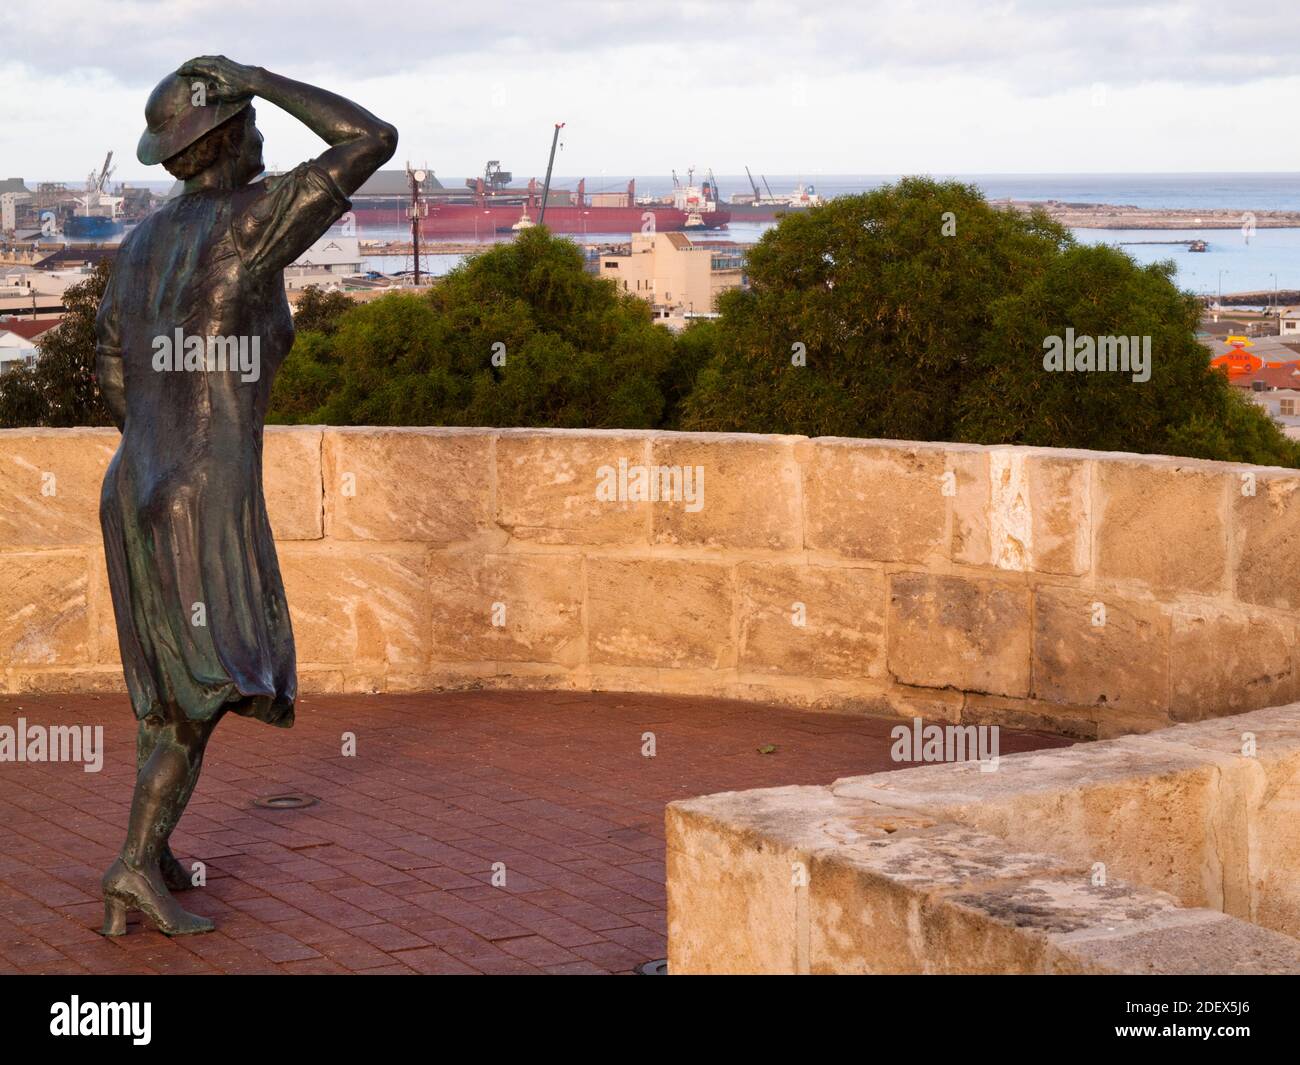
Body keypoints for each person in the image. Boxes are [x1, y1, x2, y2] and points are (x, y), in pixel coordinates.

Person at [95, 57, 396, 935]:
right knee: (202, 690)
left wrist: (161, 440)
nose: (264, 137)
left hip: (136, 487)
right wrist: (262, 77)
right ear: (223, 138)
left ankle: (148, 853)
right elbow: (370, 139)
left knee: (169, 691)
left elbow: (111, 370)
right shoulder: (249, 225)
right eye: (252, 123)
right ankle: (129, 866)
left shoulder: (142, 243)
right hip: (201, 494)